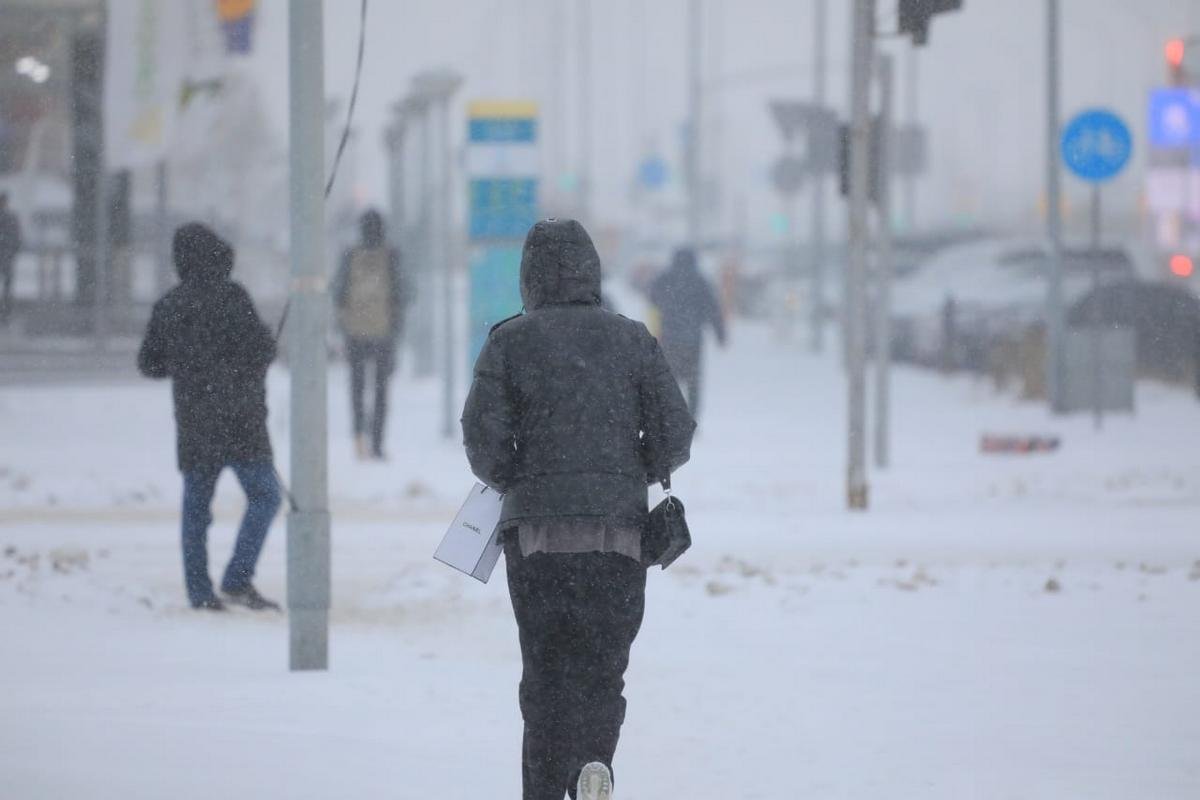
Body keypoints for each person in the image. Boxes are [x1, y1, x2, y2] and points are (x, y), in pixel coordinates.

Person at [462, 219, 696, 800]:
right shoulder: (632, 338)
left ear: (529, 276)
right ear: (591, 271)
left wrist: (516, 477)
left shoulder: (508, 341)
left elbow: (481, 437)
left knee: (544, 674)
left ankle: (543, 787)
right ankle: (594, 762)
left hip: (537, 540)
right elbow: (676, 433)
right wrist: (634, 469)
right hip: (618, 540)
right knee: (602, 670)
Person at [137, 223, 281, 612]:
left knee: (197, 509)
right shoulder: (234, 298)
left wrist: (186, 364)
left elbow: (149, 364)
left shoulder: (170, 305)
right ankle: (237, 577)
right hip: (242, 420)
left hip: (196, 421)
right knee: (266, 496)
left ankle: (200, 593)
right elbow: (262, 349)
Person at [333, 209, 410, 460]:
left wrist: (343, 324)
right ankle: (377, 443)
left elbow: (338, 292)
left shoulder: (350, 256)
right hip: (383, 334)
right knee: (380, 391)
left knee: (356, 388)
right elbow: (404, 293)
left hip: (355, 333)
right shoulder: (392, 256)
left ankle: (358, 439)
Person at [648, 247, 727, 417]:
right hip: (692, 340)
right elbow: (713, 309)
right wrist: (720, 334)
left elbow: (652, 300)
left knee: (670, 379)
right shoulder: (700, 281)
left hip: (668, 338)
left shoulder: (665, 279)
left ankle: (670, 416)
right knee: (693, 382)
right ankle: (691, 417)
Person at [0, 192, 21, 324]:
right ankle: (5, 314)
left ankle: (5, 313)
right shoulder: (11, 219)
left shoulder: (10, 219)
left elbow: (16, 239)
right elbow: (17, 239)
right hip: (7, 257)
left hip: (6, 256)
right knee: (7, 286)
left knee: (7, 286)